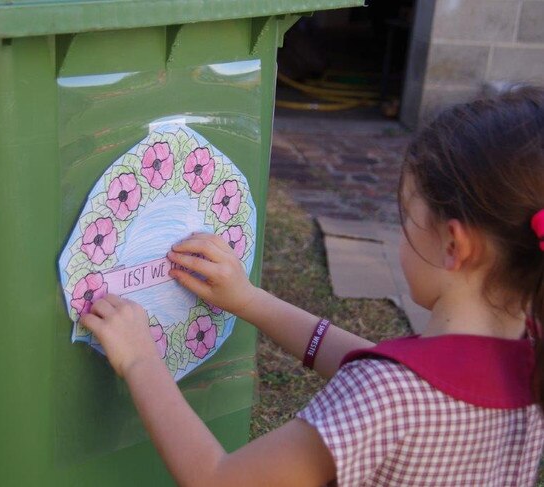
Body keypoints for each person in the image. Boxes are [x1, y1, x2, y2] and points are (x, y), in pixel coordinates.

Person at [80, 87, 544, 486]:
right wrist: (249, 300)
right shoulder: (528, 360)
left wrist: (141, 358)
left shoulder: (388, 397)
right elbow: (375, 364)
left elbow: (217, 478)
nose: (401, 229)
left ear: (452, 243)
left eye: (405, 215)